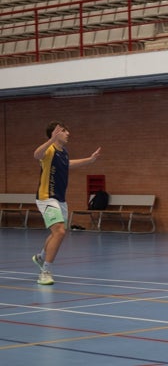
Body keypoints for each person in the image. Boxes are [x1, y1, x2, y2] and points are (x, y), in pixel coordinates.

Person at [32, 121, 101, 285]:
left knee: (57, 232)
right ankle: (45, 272)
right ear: (54, 134)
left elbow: (68, 164)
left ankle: (41, 257)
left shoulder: (63, 152)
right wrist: (50, 140)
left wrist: (89, 160)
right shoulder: (49, 150)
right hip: (46, 197)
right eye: (63, 131)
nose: (68, 133)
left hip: (60, 199)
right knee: (60, 232)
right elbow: (36, 155)